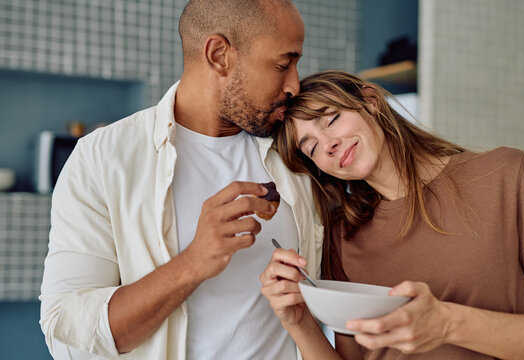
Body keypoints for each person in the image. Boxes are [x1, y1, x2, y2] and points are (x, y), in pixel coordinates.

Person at [39, 1, 324, 359]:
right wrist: (193, 263)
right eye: (283, 64)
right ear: (219, 54)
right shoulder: (102, 159)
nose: (295, 85)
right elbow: (67, 335)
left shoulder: (300, 152)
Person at [260, 70, 524, 359]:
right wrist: (299, 322)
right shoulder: (344, 238)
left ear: (371, 101)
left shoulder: (506, 176)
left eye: (332, 119)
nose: (328, 144)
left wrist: (447, 324)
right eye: (312, 147)